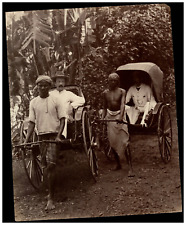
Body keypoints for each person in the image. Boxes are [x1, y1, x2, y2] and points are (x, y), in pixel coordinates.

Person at [24, 75, 67, 211]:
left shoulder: (56, 99)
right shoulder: (33, 102)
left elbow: (62, 119)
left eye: (45, 85)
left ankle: (51, 198)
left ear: (49, 87)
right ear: (37, 87)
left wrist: (59, 136)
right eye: (40, 85)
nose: (42, 88)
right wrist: (26, 141)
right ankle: (50, 191)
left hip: (54, 136)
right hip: (42, 136)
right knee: (45, 166)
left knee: (51, 166)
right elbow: (31, 122)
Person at [101, 73, 134, 177]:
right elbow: (105, 107)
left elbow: (122, 104)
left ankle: (130, 167)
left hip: (120, 116)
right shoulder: (105, 93)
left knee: (125, 142)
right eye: (110, 80)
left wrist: (120, 116)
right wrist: (103, 118)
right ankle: (118, 164)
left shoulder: (122, 91)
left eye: (114, 80)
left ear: (117, 82)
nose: (112, 82)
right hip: (110, 116)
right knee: (112, 142)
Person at [50, 71, 85, 138]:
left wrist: (71, 106)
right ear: (55, 83)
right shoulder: (51, 94)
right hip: (52, 116)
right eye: (59, 81)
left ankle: (61, 137)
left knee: (63, 119)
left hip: (64, 116)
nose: (61, 84)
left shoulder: (68, 94)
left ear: (65, 83)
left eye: (62, 82)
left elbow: (82, 100)